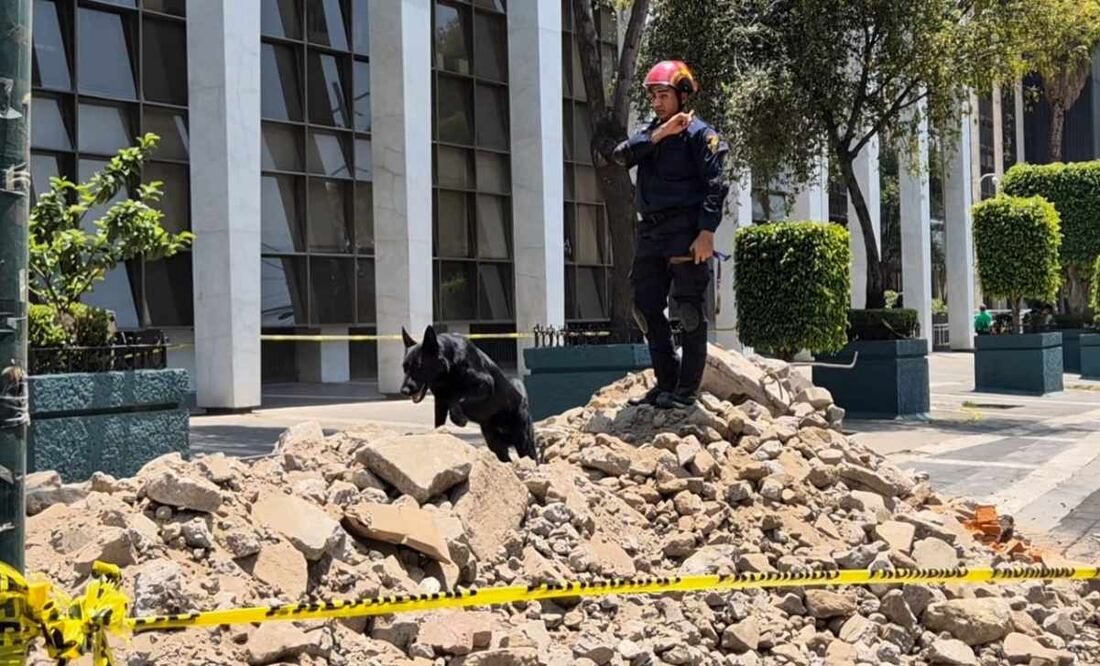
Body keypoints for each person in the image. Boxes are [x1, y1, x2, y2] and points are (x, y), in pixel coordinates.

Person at [611, 60, 730, 409]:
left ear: (682, 95)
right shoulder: (651, 134)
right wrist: (661, 133)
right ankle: (666, 381)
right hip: (651, 232)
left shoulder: (701, 135)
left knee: (688, 311)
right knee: (644, 306)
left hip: (685, 231)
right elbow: (619, 157)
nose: (658, 103)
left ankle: (685, 390)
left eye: (664, 95)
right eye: (654, 97)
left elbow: (717, 185)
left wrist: (706, 232)